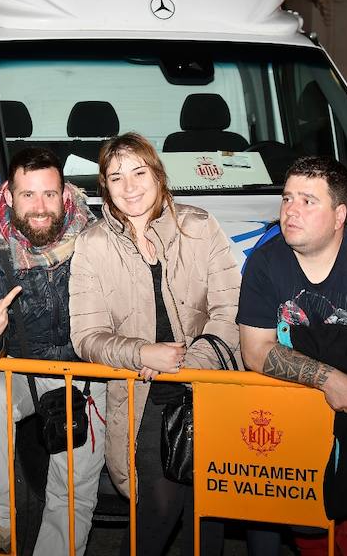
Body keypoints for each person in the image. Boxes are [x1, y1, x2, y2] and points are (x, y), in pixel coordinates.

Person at [69, 132, 238, 555]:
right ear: (104, 188)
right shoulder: (92, 245)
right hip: (143, 394)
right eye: (115, 177)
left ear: (158, 175)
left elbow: (232, 312)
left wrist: (190, 362)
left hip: (210, 388)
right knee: (157, 512)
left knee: (208, 517)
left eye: (139, 172)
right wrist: (142, 353)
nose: (129, 186)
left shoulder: (200, 227)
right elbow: (86, 337)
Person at [239, 156, 347, 556]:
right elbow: (254, 353)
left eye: (308, 201)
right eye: (287, 198)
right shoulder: (265, 262)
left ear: (339, 215)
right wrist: (328, 376)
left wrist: (297, 342)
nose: (291, 210)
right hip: (291, 432)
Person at [0, 147, 105, 556]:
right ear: (8, 196)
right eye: (28, 195)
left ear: (66, 194)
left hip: (86, 370)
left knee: (73, 486)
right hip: (20, 366)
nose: (40, 207)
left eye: (49, 194)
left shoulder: (97, 235)